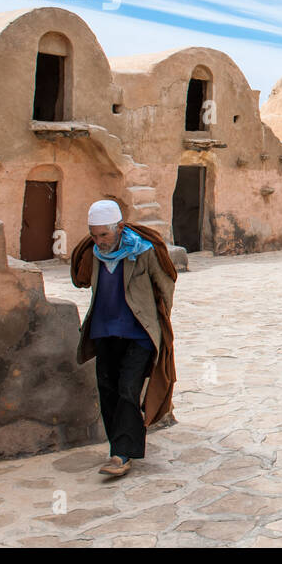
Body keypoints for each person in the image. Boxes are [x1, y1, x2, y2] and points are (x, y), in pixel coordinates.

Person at [72, 199, 177, 478]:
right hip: (104, 331)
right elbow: (82, 280)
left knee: (127, 389)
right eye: (94, 235)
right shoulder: (94, 253)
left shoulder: (144, 251)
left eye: (104, 235)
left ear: (119, 228)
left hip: (138, 333)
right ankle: (116, 447)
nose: (98, 240)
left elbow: (165, 284)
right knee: (107, 389)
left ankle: (122, 454)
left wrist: (159, 319)